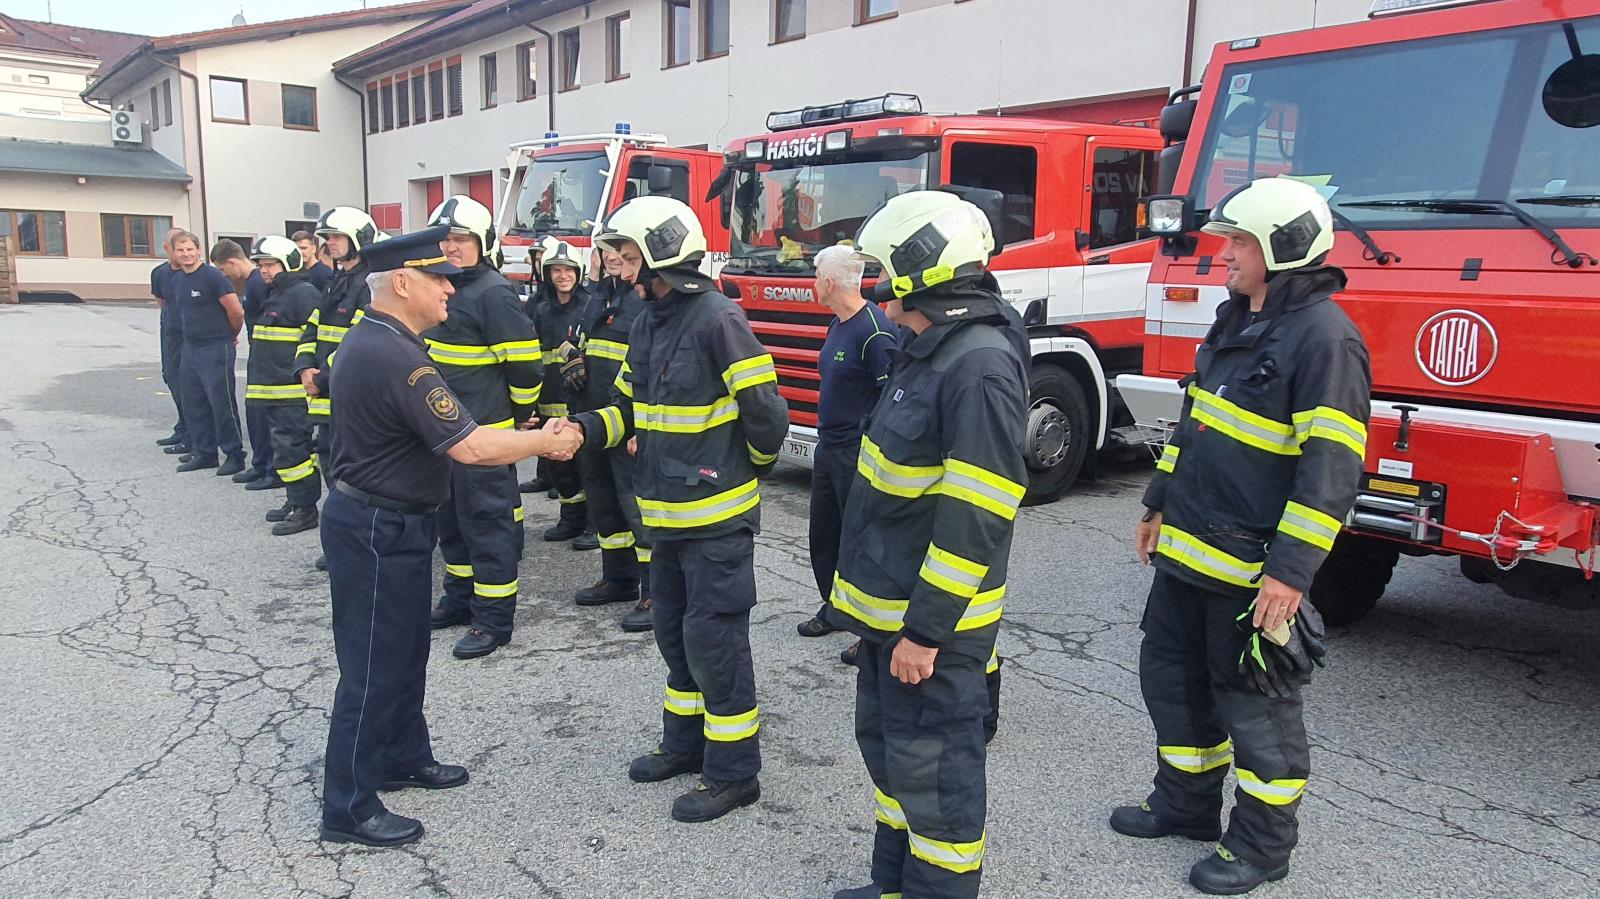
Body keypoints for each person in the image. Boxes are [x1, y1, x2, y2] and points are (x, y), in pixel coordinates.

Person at [1114, 177, 1370, 895]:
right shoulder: (1236, 318)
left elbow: (1330, 471)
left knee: (1256, 708)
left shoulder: (1326, 339)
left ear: (1282, 250)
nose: (1223, 251)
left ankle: (1261, 847)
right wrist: (1158, 498)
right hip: (1188, 552)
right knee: (1174, 681)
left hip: (1252, 570)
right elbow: (1196, 423)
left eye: (1239, 241)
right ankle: (1187, 805)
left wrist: (1289, 574)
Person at [317, 225, 582, 849]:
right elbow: (472, 445)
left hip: (395, 522)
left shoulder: (384, 339)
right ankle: (347, 804)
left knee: (405, 653)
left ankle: (402, 755)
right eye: (438, 279)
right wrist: (548, 440)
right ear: (401, 283)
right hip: (377, 527)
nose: (449, 289)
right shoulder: (397, 355)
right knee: (373, 666)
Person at [826, 191, 1029, 899]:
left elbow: (978, 513)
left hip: (930, 630)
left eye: (883, 266)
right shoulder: (930, 349)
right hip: (893, 617)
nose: (874, 281)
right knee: (894, 760)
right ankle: (894, 886)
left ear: (920, 268)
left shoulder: (977, 365)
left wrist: (926, 629)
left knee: (938, 780)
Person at [561, 196, 787, 823]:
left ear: (663, 253)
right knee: (674, 633)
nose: (618, 265)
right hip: (665, 518)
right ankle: (685, 746)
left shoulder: (719, 319)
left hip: (716, 520)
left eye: (629, 254)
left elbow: (766, 416)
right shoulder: (646, 321)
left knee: (716, 642)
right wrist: (580, 430)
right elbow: (627, 406)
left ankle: (735, 773)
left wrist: (748, 472)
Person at [419, 196, 544, 660]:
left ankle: (492, 619)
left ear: (483, 243)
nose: (451, 247)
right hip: (443, 433)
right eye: (445, 239)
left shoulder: (493, 292)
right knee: (449, 522)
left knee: (488, 526)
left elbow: (527, 368)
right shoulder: (440, 286)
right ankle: (459, 598)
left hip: (485, 432)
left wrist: (514, 420)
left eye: (462, 240)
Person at [795, 246, 899, 639]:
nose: (812, 284)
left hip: (856, 451)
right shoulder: (838, 324)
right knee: (825, 534)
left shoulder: (874, 329)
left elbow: (891, 397)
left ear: (830, 282)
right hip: (829, 447)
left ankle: (866, 630)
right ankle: (835, 608)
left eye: (815, 276)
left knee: (860, 538)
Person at [570, 245, 655, 631]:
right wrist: (572, 356)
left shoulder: (643, 300)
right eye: (607, 253)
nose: (613, 260)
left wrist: (640, 427)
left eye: (623, 254)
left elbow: (650, 368)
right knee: (604, 503)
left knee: (639, 510)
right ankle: (619, 578)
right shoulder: (598, 296)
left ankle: (655, 592)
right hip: (595, 415)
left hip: (627, 420)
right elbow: (584, 340)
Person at [298, 207, 381, 571]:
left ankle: (359, 545)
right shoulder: (336, 281)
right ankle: (343, 544)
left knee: (354, 477)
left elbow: (358, 340)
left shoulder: (369, 283)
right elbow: (312, 329)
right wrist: (303, 367)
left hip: (348, 396)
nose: (328, 244)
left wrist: (321, 379)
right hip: (325, 395)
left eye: (335, 237)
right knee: (333, 471)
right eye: (326, 238)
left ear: (358, 239)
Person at [243, 236, 325, 536]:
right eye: (261, 265)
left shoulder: (303, 294)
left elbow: (313, 342)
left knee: (295, 452)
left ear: (289, 262)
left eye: (270, 264)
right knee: (284, 452)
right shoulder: (276, 293)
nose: (264, 271)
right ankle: (295, 501)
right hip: (274, 391)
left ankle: (305, 509)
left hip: (291, 393)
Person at [530, 240, 593, 547]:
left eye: (568, 270)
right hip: (548, 400)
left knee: (586, 466)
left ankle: (591, 523)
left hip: (578, 403)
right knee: (559, 467)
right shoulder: (540, 310)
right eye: (556, 270)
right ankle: (570, 519)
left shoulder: (589, 307)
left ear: (578, 273)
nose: (562, 276)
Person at [171, 231, 247, 476]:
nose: (186, 254)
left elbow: (236, 312)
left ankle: (234, 455)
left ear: (198, 250)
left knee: (221, 402)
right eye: (181, 250)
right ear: (174, 253)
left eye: (190, 249)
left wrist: (229, 336)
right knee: (194, 401)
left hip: (216, 346)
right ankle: (205, 453)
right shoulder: (179, 279)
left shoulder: (213, 277)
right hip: (190, 348)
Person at [211, 239, 279, 489]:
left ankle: (271, 468)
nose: (223, 275)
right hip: (258, 353)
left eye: (222, 270)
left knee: (264, 414)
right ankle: (260, 465)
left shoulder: (259, 284)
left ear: (232, 262)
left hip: (267, 355)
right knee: (254, 412)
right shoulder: (251, 283)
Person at [152, 228, 189, 454]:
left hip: (191, 337)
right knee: (172, 378)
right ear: (167, 248)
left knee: (190, 385)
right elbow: (161, 300)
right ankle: (182, 425)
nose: (183, 253)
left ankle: (195, 432)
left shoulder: (194, 274)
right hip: (169, 334)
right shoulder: (159, 273)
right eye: (177, 247)